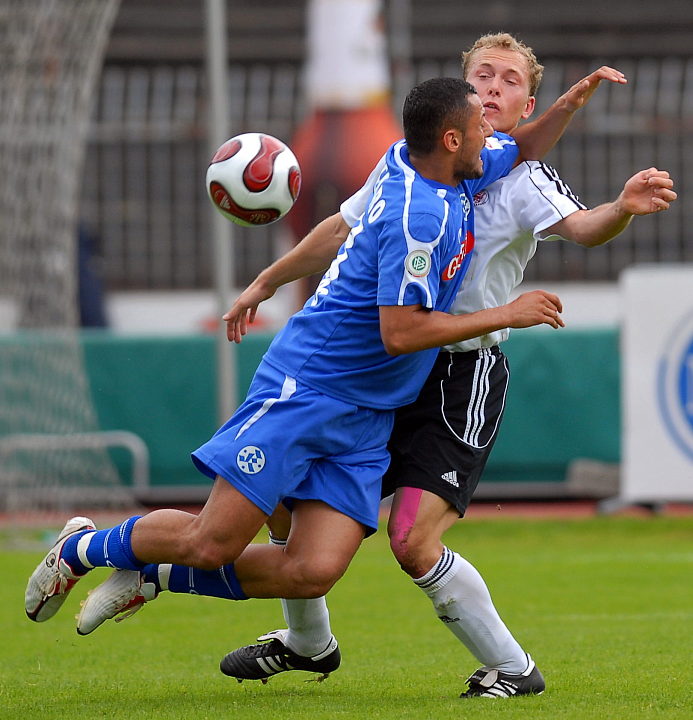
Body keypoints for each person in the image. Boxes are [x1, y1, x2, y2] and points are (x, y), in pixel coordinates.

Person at [25, 79, 566, 655]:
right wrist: (506, 314)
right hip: (311, 387)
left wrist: (570, 103)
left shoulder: (444, 164)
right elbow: (401, 333)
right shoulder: (419, 218)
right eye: (480, 125)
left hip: (369, 412)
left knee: (311, 570)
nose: (492, 131)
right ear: (452, 139)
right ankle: (81, 548)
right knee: (212, 542)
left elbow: (522, 145)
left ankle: (153, 575)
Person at [217, 35, 677, 698]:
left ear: (526, 104)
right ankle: (308, 642)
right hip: (392, 366)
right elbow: (341, 229)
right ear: (461, 96)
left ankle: (513, 668)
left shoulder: (523, 178)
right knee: (288, 505)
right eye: (482, 75)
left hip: (462, 375)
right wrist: (266, 281)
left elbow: (584, 226)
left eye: (510, 81)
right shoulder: (411, 162)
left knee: (410, 540)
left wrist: (621, 209)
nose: (493, 87)